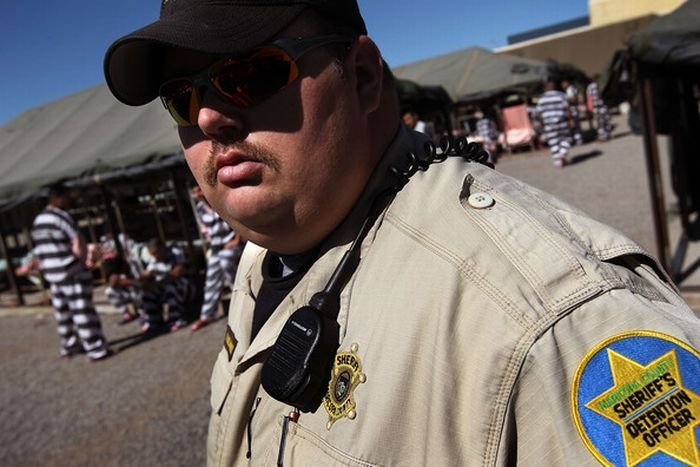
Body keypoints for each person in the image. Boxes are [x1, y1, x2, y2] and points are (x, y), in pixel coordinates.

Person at [104, 1, 700, 465]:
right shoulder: (262, 257)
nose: (209, 115)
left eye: (250, 74)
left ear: (362, 77)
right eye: (182, 99)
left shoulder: (548, 313)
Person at [31, 185, 112, 361]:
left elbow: (39, 250)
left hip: (52, 273)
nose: (70, 200)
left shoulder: (39, 220)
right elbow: (77, 240)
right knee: (82, 310)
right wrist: (83, 262)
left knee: (63, 312)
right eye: (68, 197)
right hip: (70, 269)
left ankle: (69, 345)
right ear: (58, 198)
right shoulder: (61, 217)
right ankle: (96, 349)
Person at [190, 184, 243, 331]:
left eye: (199, 190)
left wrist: (236, 240)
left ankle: (242, 303)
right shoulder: (200, 209)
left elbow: (238, 221)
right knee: (212, 276)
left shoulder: (220, 202)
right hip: (217, 246)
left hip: (231, 243)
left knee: (227, 265)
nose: (198, 194)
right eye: (195, 192)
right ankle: (207, 314)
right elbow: (207, 232)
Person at [140, 238, 196, 333]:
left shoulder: (176, 253)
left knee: (171, 288)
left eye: (156, 252)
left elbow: (177, 273)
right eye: (152, 254)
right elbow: (146, 273)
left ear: (163, 248)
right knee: (148, 294)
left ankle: (175, 320)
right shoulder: (154, 259)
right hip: (163, 286)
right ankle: (154, 321)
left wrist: (157, 284)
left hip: (185, 285)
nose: (155, 256)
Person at [536, 78, 574, 167]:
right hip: (562, 122)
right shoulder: (561, 95)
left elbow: (539, 113)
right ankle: (563, 153)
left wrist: (542, 123)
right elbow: (567, 109)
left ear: (545, 88)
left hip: (549, 124)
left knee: (553, 142)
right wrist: (571, 120)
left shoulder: (541, 99)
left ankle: (558, 161)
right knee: (567, 138)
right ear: (555, 87)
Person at [561, 78, 583, 145]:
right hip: (574, 110)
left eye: (563, 83)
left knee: (574, 126)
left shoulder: (570, 89)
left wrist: (565, 99)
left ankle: (578, 140)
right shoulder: (571, 89)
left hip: (572, 110)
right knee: (575, 126)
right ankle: (578, 139)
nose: (562, 85)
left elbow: (573, 99)